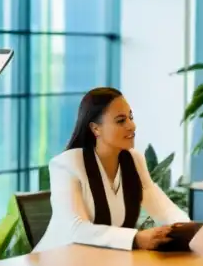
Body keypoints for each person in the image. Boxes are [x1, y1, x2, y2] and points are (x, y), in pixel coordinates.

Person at [37, 87, 186, 251]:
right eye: (121, 121)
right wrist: (136, 239)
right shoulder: (66, 164)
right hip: (57, 263)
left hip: (100, 263)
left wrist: (186, 229)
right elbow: (76, 229)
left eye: (131, 117)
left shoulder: (133, 160)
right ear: (95, 128)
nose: (132, 125)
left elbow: (163, 208)